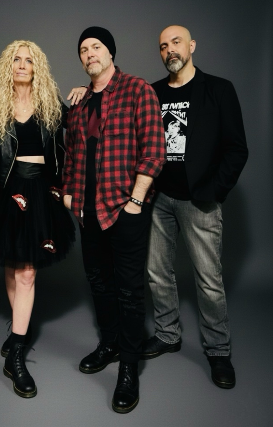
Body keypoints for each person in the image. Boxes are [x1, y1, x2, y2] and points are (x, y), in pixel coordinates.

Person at [63, 27, 166, 413]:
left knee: (128, 290)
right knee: (99, 282)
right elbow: (71, 152)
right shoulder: (80, 102)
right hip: (87, 211)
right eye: (83, 49)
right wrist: (69, 193)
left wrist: (136, 200)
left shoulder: (138, 90)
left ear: (110, 53)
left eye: (96, 47)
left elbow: (154, 150)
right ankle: (109, 344)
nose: (89, 53)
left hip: (125, 208)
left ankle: (128, 366)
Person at [142, 25, 248, 389]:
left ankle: (218, 350)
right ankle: (167, 334)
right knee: (157, 272)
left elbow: (237, 148)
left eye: (176, 42)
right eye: (163, 46)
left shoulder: (218, 89)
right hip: (159, 199)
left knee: (208, 279)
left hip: (199, 201)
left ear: (191, 46)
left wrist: (213, 191)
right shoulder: (153, 92)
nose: (169, 50)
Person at [0, 40, 78, 398]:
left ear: (37, 68)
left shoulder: (51, 105)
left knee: (27, 272)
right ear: (9, 66)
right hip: (6, 191)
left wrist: (85, 92)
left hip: (40, 192)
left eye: (29, 60)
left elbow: (83, 123)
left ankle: (16, 352)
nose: (22, 64)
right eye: (16, 59)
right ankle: (20, 329)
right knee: (12, 265)